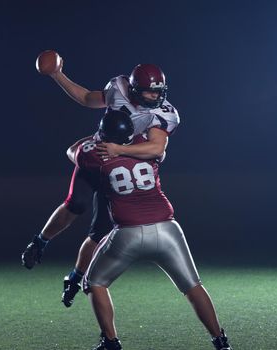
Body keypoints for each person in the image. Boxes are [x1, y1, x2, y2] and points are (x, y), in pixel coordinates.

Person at [22, 59, 179, 308]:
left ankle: (74, 278)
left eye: (158, 91)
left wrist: (120, 150)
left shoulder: (165, 113)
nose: (155, 96)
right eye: (149, 90)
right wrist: (58, 75)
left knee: (99, 232)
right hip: (100, 150)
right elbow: (86, 98)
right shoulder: (118, 88)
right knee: (76, 204)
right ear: (134, 88)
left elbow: (157, 147)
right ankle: (40, 242)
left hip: (122, 164)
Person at [74, 110, 232, 350]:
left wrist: (99, 139)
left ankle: (111, 342)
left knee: (94, 282)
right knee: (192, 286)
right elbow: (158, 149)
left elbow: (72, 152)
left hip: (127, 233)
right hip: (168, 229)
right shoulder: (148, 146)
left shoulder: (94, 155)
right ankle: (221, 342)